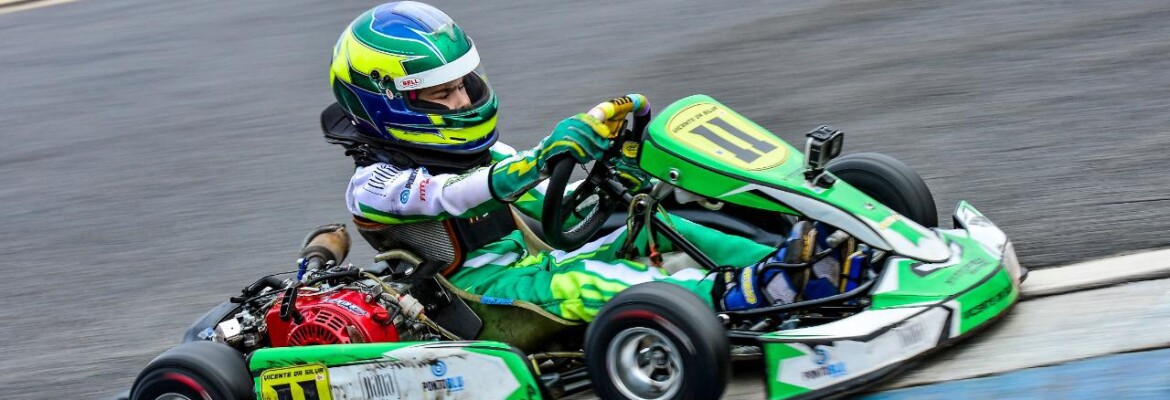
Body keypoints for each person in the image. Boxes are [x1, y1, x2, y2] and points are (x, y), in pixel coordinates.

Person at [325, 1, 846, 322]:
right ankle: (745, 295)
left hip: (538, 266)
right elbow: (456, 194)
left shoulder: (483, 152)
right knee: (593, 285)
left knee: (655, 223)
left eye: (462, 85)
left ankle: (784, 258)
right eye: (442, 94)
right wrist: (542, 158)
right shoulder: (376, 183)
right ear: (387, 103)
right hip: (488, 300)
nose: (462, 102)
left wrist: (610, 168)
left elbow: (553, 199)